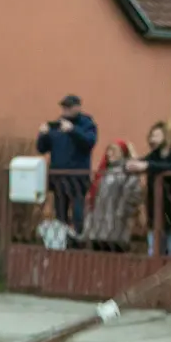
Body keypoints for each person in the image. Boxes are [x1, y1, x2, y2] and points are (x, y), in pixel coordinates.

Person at [126, 121, 171, 256]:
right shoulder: (154, 155)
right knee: (154, 252)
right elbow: (143, 163)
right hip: (155, 212)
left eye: (156, 135)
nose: (152, 139)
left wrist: (147, 166)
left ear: (167, 136)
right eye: (151, 136)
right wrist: (131, 164)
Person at [36, 94, 98, 234]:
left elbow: (89, 142)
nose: (65, 110)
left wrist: (72, 131)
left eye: (69, 107)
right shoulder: (57, 125)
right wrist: (43, 135)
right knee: (60, 211)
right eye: (63, 107)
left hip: (77, 177)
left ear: (78, 107)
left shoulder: (87, 124)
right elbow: (42, 148)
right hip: (59, 177)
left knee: (78, 212)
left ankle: (79, 239)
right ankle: (62, 241)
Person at [81, 140, 141, 252]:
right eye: (109, 150)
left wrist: (122, 212)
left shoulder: (127, 172)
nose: (110, 153)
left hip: (117, 224)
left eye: (114, 150)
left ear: (123, 153)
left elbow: (134, 195)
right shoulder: (103, 172)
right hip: (98, 225)